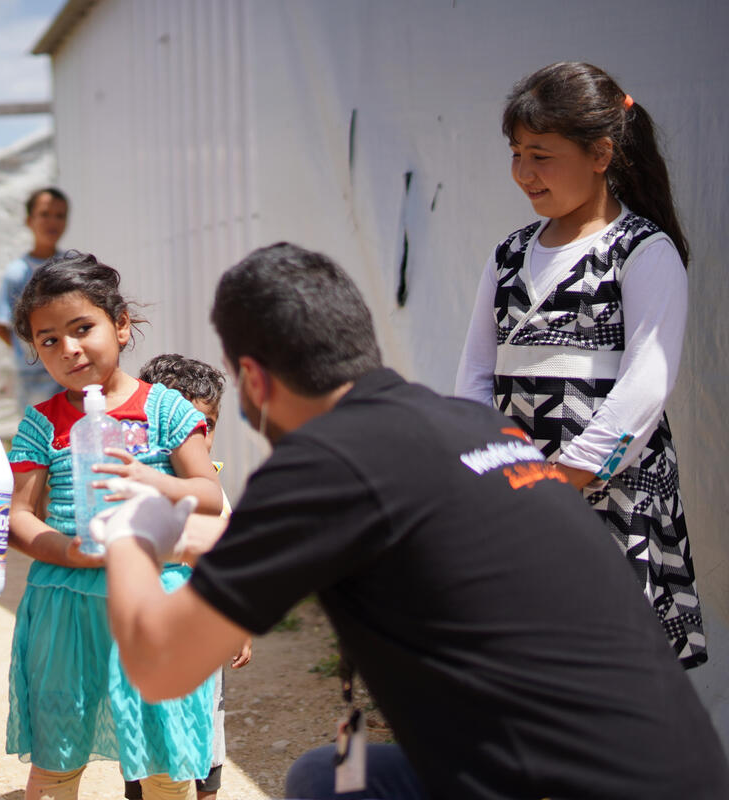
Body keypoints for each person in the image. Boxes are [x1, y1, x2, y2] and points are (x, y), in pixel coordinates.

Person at [92, 242, 729, 799]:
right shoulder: (472, 425)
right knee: (332, 775)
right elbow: (364, 537)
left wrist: (129, 530)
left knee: (332, 778)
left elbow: (161, 666)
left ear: (253, 380)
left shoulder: (327, 461)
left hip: (562, 785)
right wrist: (186, 531)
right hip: (679, 770)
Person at [455, 62, 705, 668]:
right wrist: (488, 462)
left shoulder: (642, 251)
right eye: (517, 153)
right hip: (521, 488)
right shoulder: (510, 254)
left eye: (541, 155)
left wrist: (570, 475)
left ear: (601, 154)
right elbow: (475, 374)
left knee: (613, 657)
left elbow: (646, 382)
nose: (524, 173)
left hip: (612, 496)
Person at [4, 252, 224, 800]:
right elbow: (18, 517)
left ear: (120, 325)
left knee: (163, 759)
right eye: (48, 340)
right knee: (57, 753)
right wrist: (72, 552)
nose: (69, 349)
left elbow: (208, 494)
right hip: (65, 605)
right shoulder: (42, 423)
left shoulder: (167, 410)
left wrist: (159, 484)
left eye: (83, 328)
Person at [125, 354, 252, 800]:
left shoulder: (212, 490)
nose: (196, 436)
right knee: (148, 757)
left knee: (205, 758)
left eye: (207, 425)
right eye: (182, 425)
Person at [0, 187, 69, 410]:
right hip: (32, 376)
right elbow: (1, 324)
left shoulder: (71, 267)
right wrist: (30, 350)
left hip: (69, 367)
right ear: (29, 220)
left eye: (60, 215)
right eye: (44, 214)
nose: (52, 222)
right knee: (38, 431)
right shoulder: (16, 273)